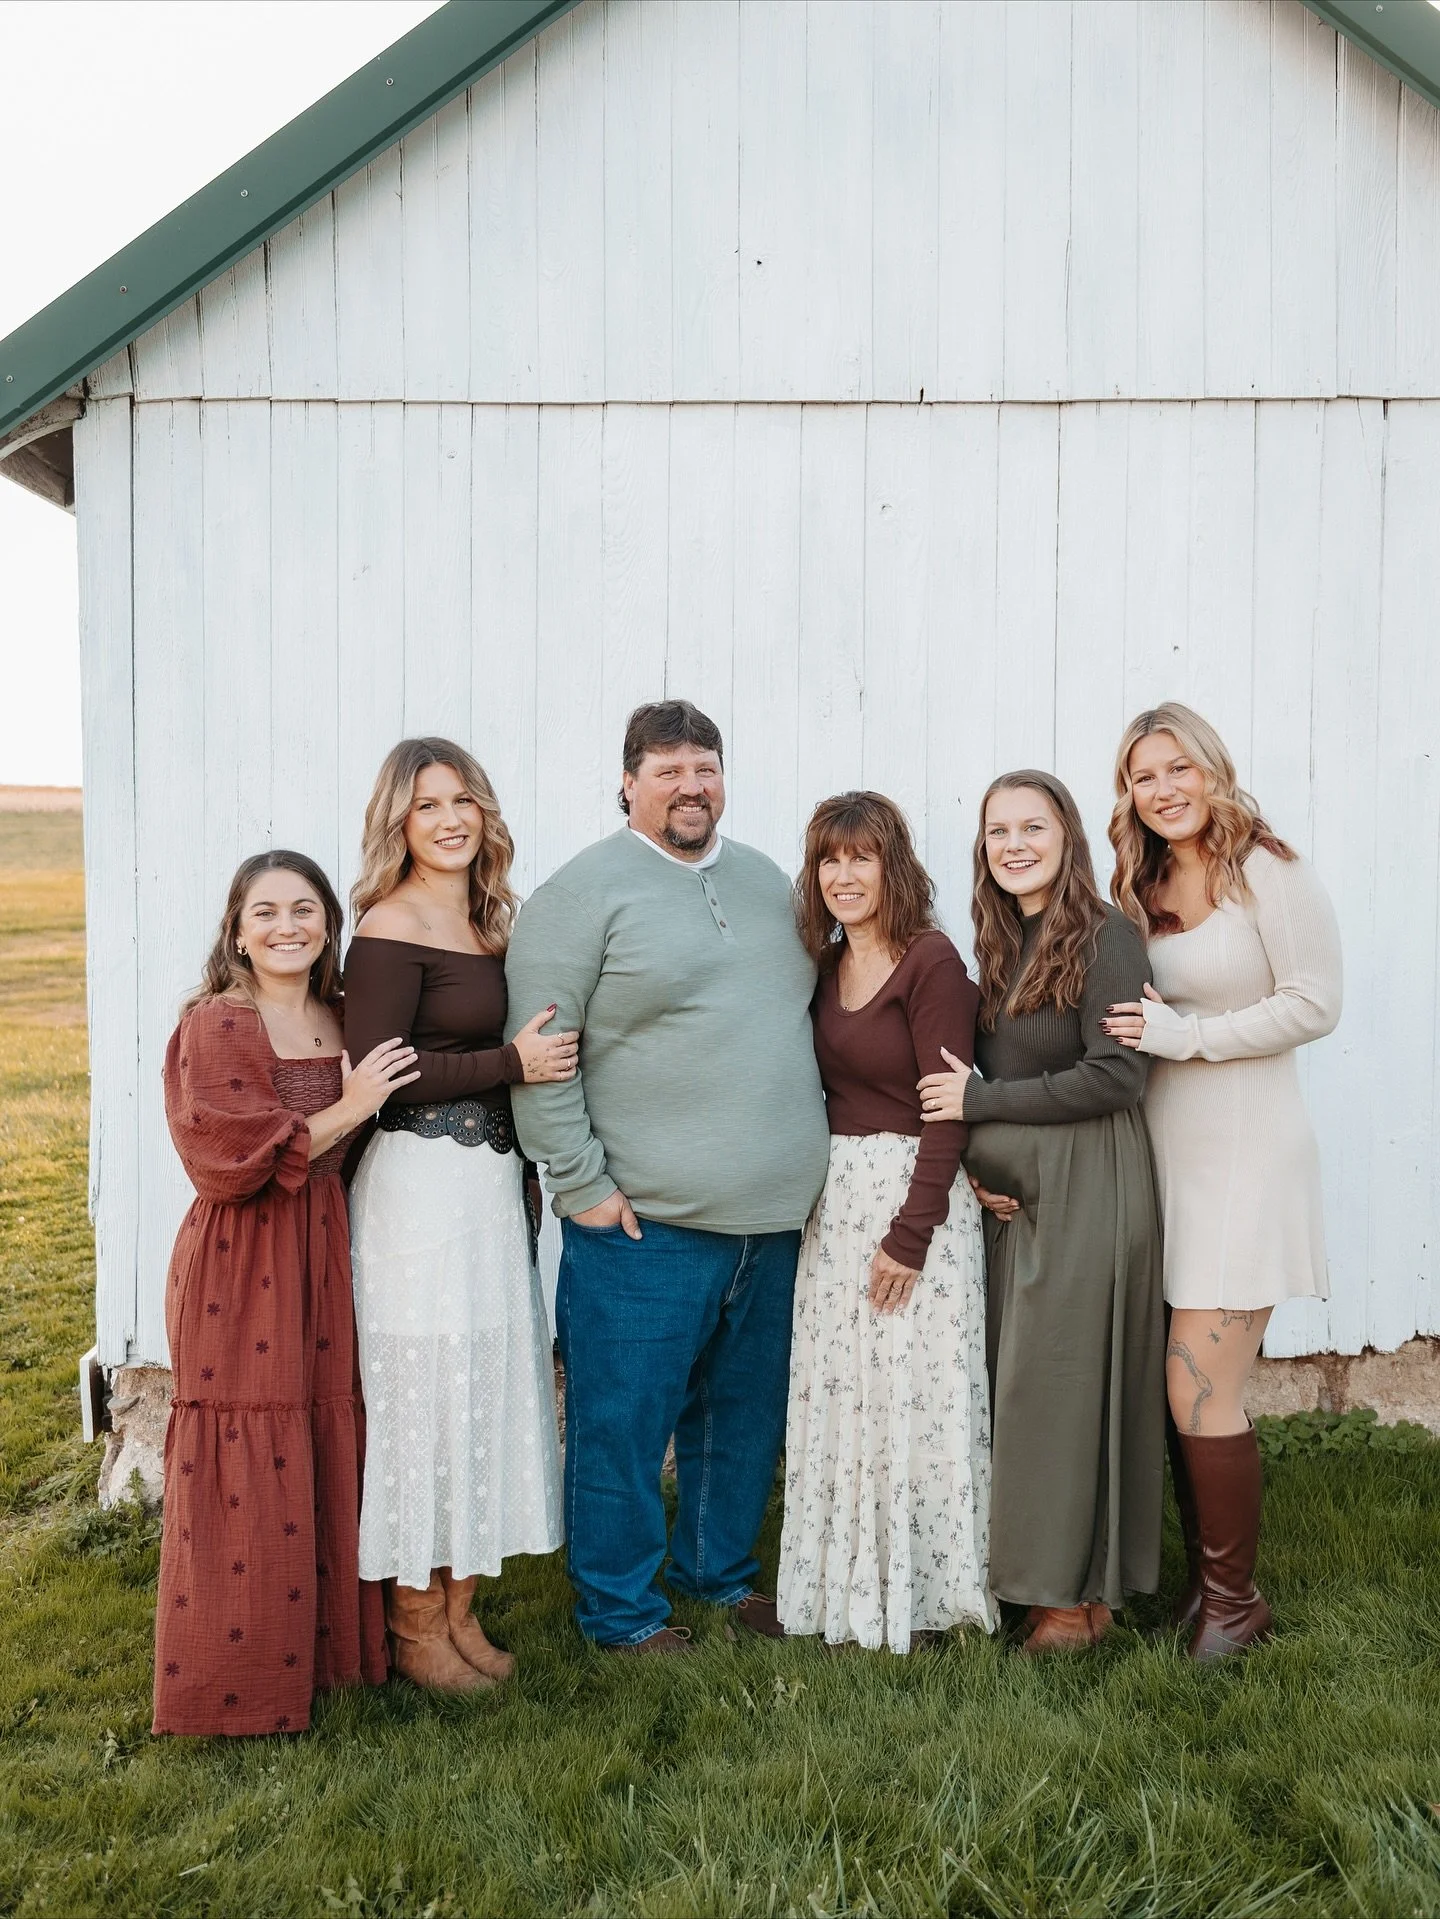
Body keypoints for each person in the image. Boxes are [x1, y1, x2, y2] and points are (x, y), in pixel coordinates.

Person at [504, 700, 830, 1654]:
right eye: (669, 770)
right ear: (628, 783)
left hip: (768, 1224)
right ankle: (622, 1612)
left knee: (737, 1423)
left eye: (707, 768)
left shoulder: (770, 882)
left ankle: (718, 1580)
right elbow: (542, 1056)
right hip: (642, 1226)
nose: (692, 786)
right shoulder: (581, 895)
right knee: (622, 1428)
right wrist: (582, 1187)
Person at [155, 851, 418, 1736]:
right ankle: (235, 1682)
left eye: (305, 909)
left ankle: (331, 1659)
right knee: (246, 1443)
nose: (286, 926)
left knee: (319, 1431)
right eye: (264, 912)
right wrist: (356, 1101)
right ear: (236, 929)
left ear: (328, 926)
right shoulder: (219, 1023)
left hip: (326, 1244)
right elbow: (232, 1156)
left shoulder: (340, 1015)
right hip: (242, 1255)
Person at [1103, 703, 1342, 1661]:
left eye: (1175, 769)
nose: (1161, 790)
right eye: (1140, 776)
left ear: (1212, 768)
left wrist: (1189, 1035)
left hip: (1248, 1150)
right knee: (1181, 1385)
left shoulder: (1267, 869)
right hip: (1169, 1152)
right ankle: (1211, 1594)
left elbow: (1316, 1002)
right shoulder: (1144, 877)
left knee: (1199, 1384)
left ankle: (1236, 1604)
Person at [344, 739, 573, 1693]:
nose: (450, 818)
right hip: (418, 1190)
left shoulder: (488, 918)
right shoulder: (390, 925)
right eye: (427, 803)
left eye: (464, 800)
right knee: (427, 1394)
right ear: (398, 820)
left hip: (484, 1187)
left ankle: (463, 1609)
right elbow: (382, 1078)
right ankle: (413, 1624)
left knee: (481, 1381)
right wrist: (508, 1066)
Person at [918, 772, 1165, 1653]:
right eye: (998, 831)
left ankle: (1071, 1602)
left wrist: (979, 1107)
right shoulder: (1004, 941)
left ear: (1067, 838)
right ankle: (1064, 1588)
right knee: (1027, 1387)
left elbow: (1116, 1074)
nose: (1015, 844)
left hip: (1093, 1185)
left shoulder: (1108, 938)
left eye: (1034, 826)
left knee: (1062, 1388)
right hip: (1023, 1202)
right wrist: (983, 1168)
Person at [777, 793, 992, 1653]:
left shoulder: (931, 961)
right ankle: (840, 1587)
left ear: (891, 865)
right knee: (843, 1398)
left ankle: (930, 1597)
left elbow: (951, 1108)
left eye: (861, 857)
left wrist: (911, 1234)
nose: (844, 875)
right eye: (829, 859)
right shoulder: (821, 966)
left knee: (917, 1395)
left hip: (918, 1199)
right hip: (837, 1204)